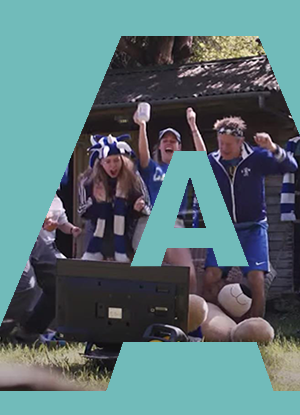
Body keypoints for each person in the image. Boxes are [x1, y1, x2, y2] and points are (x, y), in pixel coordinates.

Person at [202, 116, 298, 321]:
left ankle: (255, 327)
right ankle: (215, 323)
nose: (223, 149)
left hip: (253, 227)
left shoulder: (257, 157)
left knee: (256, 278)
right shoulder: (212, 161)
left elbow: (291, 166)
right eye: (220, 143)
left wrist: (272, 147)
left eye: (228, 144)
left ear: (240, 142)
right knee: (211, 277)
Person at [133, 105, 206, 295]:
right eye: (165, 140)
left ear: (179, 147)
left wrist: (193, 126)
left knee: (188, 275)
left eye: (173, 141)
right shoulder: (152, 168)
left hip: (174, 224)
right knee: (148, 275)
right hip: (150, 222)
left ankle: (191, 311)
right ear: (160, 147)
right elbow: (143, 155)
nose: (169, 143)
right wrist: (142, 126)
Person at [77, 134, 151, 262]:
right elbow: (81, 211)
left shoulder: (133, 177)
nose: (113, 166)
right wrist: (97, 202)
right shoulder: (88, 180)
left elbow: (148, 207)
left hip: (126, 226)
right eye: (108, 161)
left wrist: (136, 208)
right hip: (97, 226)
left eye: (116, 160)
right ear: (101, 162)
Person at [41, 193, 81, 259]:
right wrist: (44, 225)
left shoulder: (57, 201)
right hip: (34, 248)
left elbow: (62, 223)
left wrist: (72, 229)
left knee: (64, 264)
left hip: (49, 246)